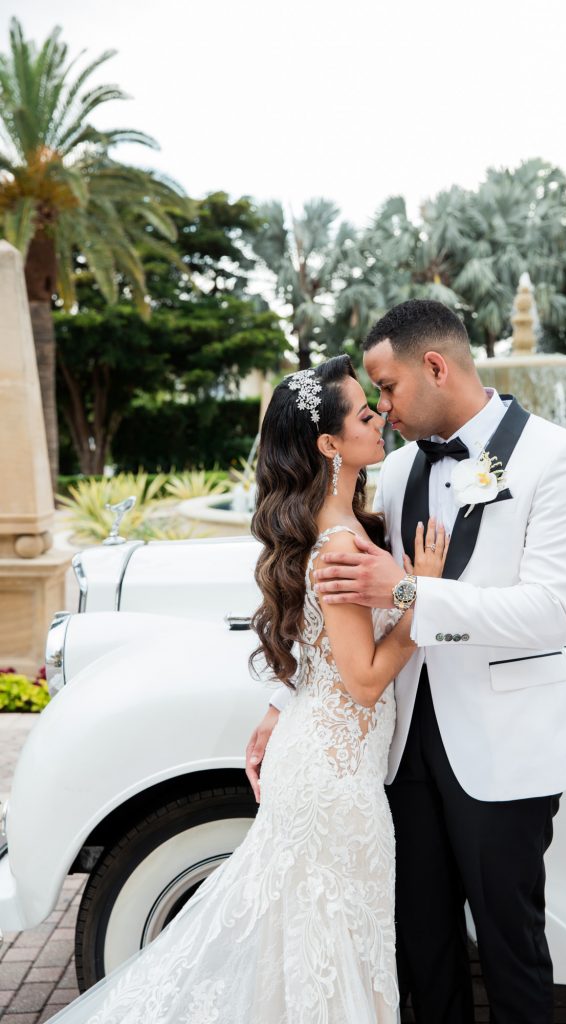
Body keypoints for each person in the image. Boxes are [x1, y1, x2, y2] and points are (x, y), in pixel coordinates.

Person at [45, 354, 447, 1024]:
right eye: (366, 414)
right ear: (329, 443)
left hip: (316, 760)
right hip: (337, 783)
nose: (380, 421)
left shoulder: (329, 528)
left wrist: (277, 708)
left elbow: (312, 655)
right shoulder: (341, 545)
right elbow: (367, 679)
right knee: (334, 953)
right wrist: (422, 599)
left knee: (301, 953)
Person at [248, 300, 566, 1024]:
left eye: (387, 388)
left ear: (435, 366)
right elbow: (340, 605)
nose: (383, 407)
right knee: (423, 953)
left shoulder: (558, 457)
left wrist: (414, 592)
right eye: (373, 397)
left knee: (512, 952)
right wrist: (286, 703)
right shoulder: (402, 468)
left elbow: (550, 611)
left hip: (503, 750)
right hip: (401, 751)